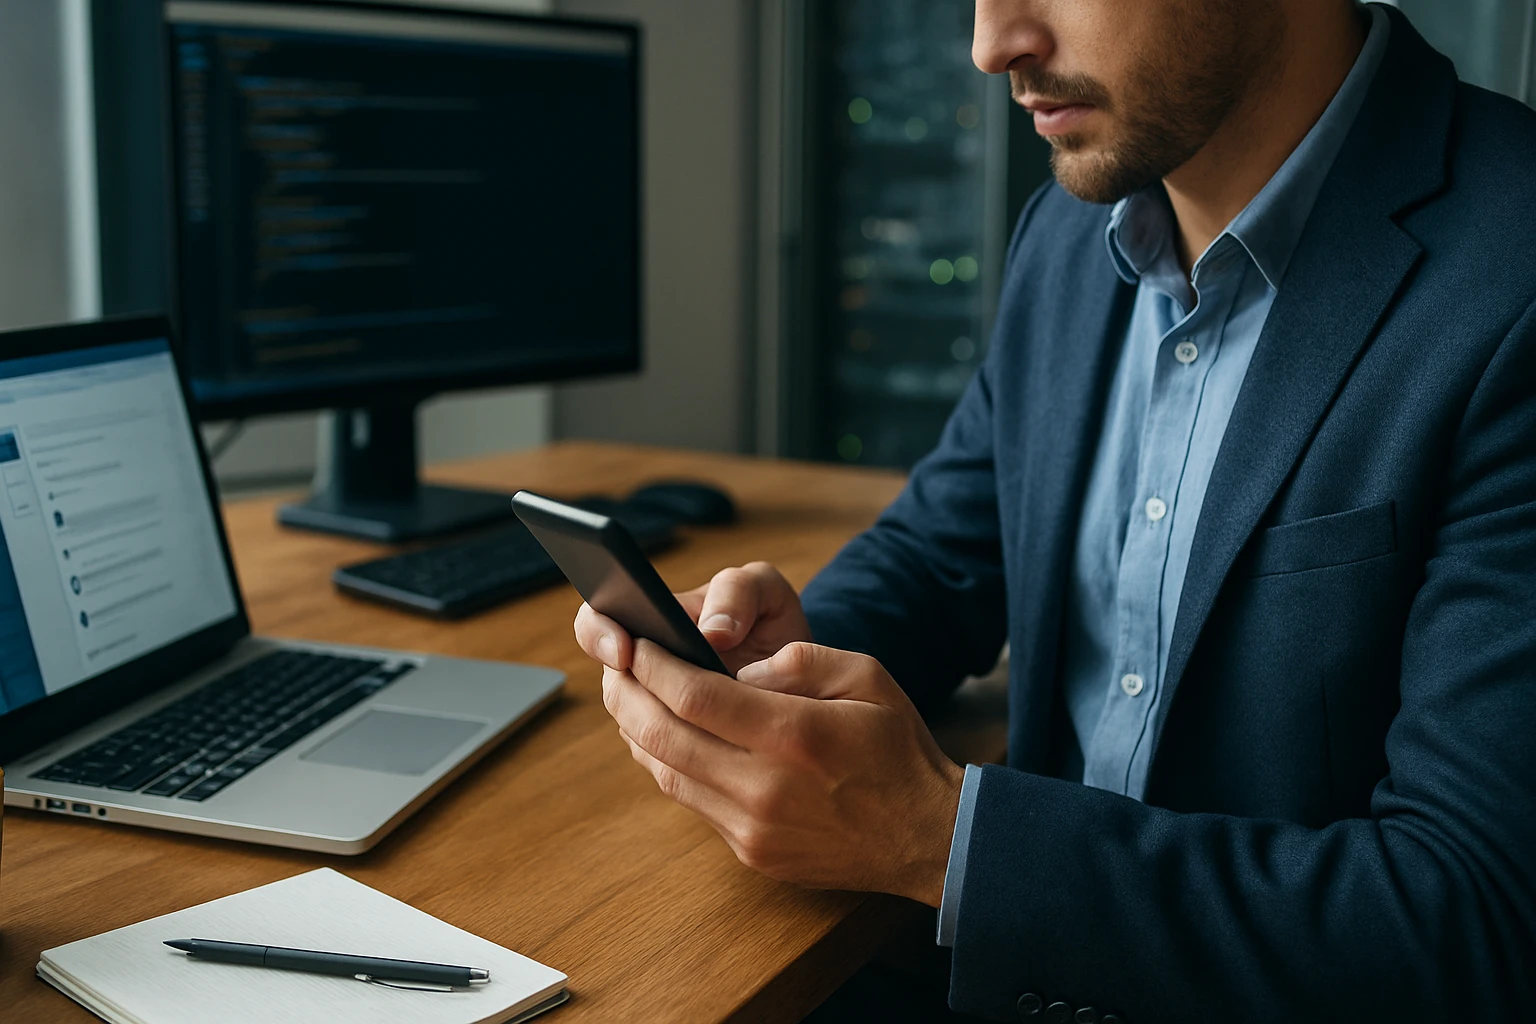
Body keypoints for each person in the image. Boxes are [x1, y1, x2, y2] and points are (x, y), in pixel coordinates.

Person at [576, 1, 1536, 1019]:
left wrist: (942, 841)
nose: (993, 46)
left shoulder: (1511, 276)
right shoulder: (1071, 234)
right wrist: (776, 672)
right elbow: (945, 549)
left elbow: (1471, 919)